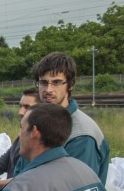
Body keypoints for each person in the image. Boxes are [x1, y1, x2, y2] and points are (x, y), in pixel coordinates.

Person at [14, 51, 109, 183]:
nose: (48, 89)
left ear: (70, 84)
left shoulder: (82, 135)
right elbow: (21, 173)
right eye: (43, 82)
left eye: (57, 82)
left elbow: (76, 190)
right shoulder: (36, 121)